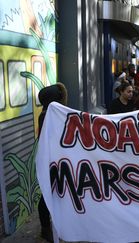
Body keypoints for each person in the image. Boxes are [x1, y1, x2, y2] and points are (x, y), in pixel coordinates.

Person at [37, 82, 68, 243]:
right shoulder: (46, 116)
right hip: (51, 161)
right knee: (48, 194)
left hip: (56, 160)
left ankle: (52, 226)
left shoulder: (49, 114)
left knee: (56, 192)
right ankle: (45, 228)